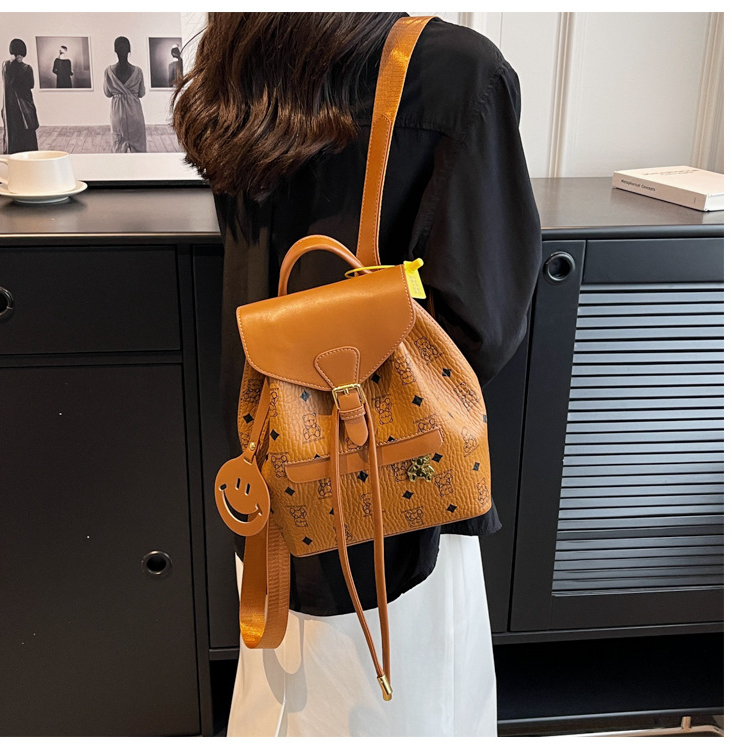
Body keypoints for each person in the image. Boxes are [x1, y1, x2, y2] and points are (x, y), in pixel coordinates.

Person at [173, 13, 541, 737]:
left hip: (266, 453)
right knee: (409, 705)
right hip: (395, 471)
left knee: (283, 697)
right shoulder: (454, 70)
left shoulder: (237, 51)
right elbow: (484, 319)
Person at [103, 36, 146, 153]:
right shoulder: (138, 71)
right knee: (139, 151)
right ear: (129, 50)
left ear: (115, 50)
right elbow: (141, 93)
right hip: (135, 113)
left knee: (118, 149)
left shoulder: (108, 71)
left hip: (118, 114)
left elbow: (107, 93)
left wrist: (118, 92)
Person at [0, 38, 39, 154]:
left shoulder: (6, 66)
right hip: (24, 104)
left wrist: (12, 62)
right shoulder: (27, 68)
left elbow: (10, 81)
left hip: (10, 106)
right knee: (27, 133)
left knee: (13, 132)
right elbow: (31, 85)